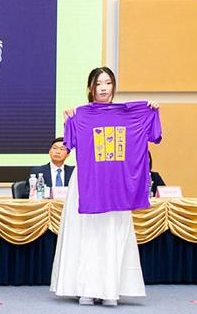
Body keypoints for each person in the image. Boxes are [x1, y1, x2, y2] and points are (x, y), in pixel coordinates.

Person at [51, 66, 161, 306]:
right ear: (90, 87)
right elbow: (70, 143)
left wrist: (151, 110)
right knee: (87, 233)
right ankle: (85, 289)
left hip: (116, 184)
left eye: (108, 83)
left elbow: (153, 135)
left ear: (114, 86)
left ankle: (110, 289)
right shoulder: (79, 114)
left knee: (111, 233)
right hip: (87, 182)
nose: (103, 88)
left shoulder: (132, 115)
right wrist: (68, 120)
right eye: (99, 83)